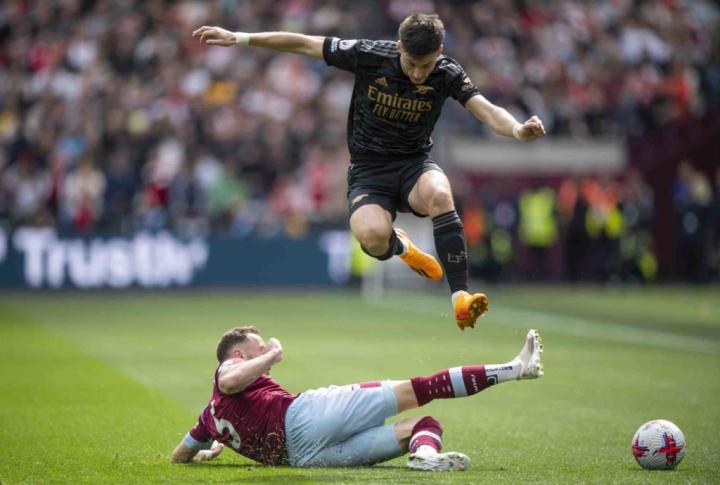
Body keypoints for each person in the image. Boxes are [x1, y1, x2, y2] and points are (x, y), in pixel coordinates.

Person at [192, 14, 547, 330]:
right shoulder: (371, 55)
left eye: (425, 65)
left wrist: (518, 130)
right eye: (411, 63)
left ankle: (460, 298)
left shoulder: (447, 72)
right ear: (399, 47)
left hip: (415, 165)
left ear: (439, 52)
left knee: (441, 194)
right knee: (373, 239)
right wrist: (240, 38)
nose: (417, 73)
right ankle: (401, 246)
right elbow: (304, 43)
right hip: (369, 172)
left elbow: (485, 110)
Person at [170, 325, 544, 471]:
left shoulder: (208, 418)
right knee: (417, 390)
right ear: (238, 355)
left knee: (422, 425)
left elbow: (179, 455)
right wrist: (274, 355)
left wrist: (208, 451)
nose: (264, 350)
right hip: (303, 418)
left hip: (302, 459)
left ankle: (425, 457)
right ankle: (515, 369)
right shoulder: (228, 370)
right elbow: (231, 379)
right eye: (258, 346)